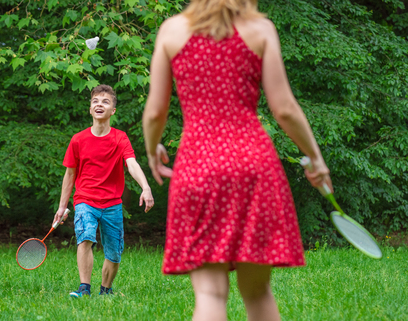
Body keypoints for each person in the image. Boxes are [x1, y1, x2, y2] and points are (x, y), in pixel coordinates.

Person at [142, 1, 332, 320]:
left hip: (198, 165)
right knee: (258, 293)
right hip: (253, 165)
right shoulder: (260, 29)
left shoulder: (172, 31)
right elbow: (284, 108)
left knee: (210, 294)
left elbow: (155, 112)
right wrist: (315, 157)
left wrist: (152, 150)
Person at [53, 84, 154, 298]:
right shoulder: (78, 140)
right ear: (90, 109)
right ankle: (84, 288)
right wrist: (62, 207)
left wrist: (145, 187)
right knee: (85, 238)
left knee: (114, 252)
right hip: (84, 200)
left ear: (112, 111)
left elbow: (132, 163)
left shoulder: (120, 138)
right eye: (95, 101)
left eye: (105, 102)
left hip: (112, 204)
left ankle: (106, 290)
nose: (100, 104)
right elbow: (69, 175)